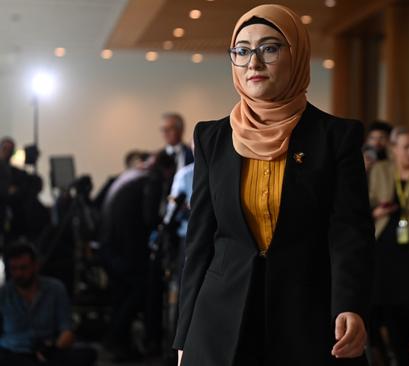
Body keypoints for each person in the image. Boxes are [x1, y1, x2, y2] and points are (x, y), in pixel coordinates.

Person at [174, 5, 373, 366]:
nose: (254, 63)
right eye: (242, 50)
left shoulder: (335, 137)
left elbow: (349, 233)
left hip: (307, 317)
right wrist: (184, 335)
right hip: (220, 320)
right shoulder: (212, 137)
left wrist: (351, 306)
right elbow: (200, 243)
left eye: (269, 48)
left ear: (296, 55)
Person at [367, 126, 409, 366]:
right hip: (384, 245)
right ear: (393, 149)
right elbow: (366, 206)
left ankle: (401, 351)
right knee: (380, 304)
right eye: (405, 147)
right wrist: (377, 211)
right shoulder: (380, 170)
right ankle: (392, 356)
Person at [99, 151, 176, 361]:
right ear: (168, 170)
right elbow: (150, 216)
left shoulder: (131, 174)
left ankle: (118, 344)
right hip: (127, 249)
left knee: (122, 296)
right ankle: (116, 339)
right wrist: (169, 222)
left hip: (110, 246)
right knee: (140, 292)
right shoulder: (153, 178)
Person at [0, 241, 97, 366]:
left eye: (23, 268)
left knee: (87, 354)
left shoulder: (55, 289)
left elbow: (66, 329)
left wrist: (53, 349)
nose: (18, 274)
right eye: (14, 269)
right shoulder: (4, 294)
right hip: (12, 352)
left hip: (47, 351)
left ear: (35, 266)